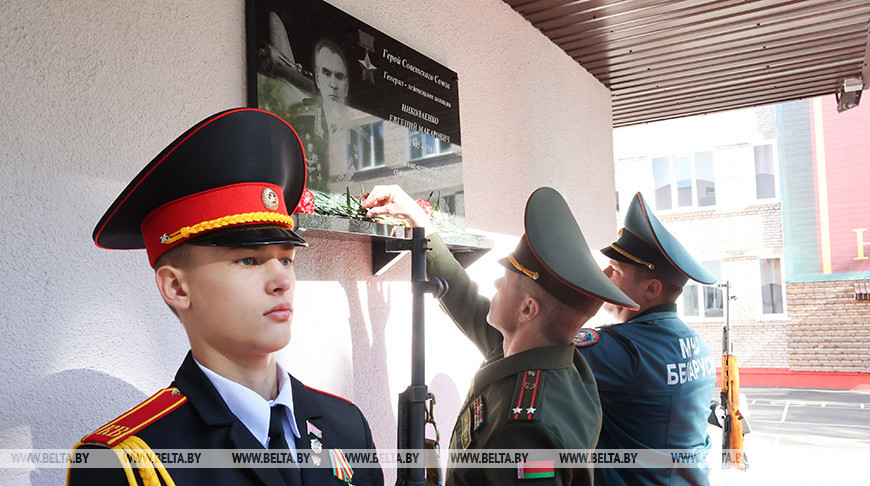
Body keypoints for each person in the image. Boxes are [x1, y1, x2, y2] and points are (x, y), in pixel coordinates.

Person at [67, 108, 383, 486]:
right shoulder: (133, 462)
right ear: (176, 287)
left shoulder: (346, 426)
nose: (282, 280)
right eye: (248, 260)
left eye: (287, 259)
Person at [363, 184, 639, 485]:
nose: (494, 283)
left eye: (506, 280)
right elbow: (465, 300)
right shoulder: (551, 357)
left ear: (527, 309)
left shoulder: (523, 428)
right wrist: (421, 223)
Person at [575, 191, 718, 485]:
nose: (603, 275)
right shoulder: (697, 344)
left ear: (651, 289)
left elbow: (531, 344)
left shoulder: (623, 350)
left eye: (614, 270)